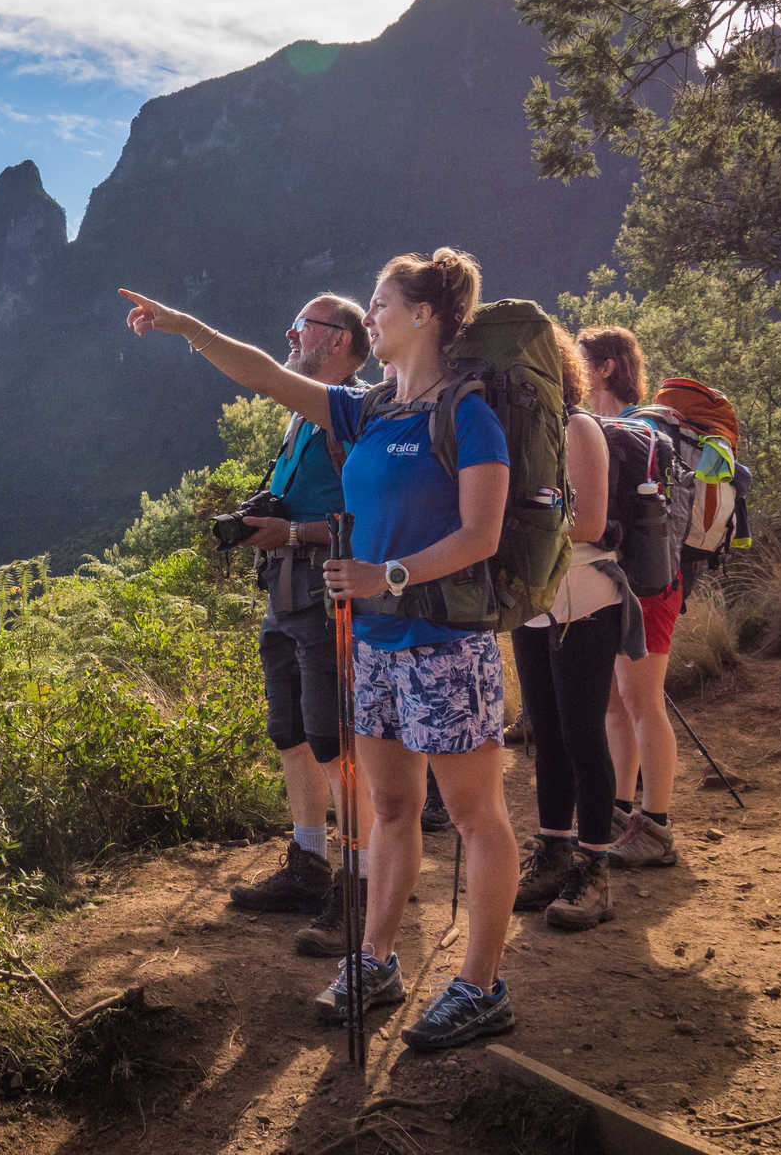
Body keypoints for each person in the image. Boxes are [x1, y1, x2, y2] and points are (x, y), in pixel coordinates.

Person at [122, 247, 521, 1052]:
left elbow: (483, 534)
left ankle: (482, 985)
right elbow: (270, 377)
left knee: (477, 817)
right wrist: (185, 326)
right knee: (395, 809)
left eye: (381, 303)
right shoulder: (369, 411)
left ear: (425, 316)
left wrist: (389, 573)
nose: (370, 317)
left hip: (444, 643)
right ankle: (376, 961)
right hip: (371, 642)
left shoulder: (469, 412)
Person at [224, 294, 374, 962]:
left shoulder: (355, 415)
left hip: (331, 597)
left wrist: (292, 531)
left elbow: (368, 519)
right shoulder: (300, 417)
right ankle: (308, 861)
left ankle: (359, 885)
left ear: (341, 340)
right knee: (289, 733)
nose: (290, 332)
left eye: (304, 326)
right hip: (284, 593)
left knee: (336, 741)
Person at [509, 325, 645, 930]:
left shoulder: (578, 426)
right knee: (546, 732)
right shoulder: (516, 434)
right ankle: (553, 849)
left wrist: (514, 521)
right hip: (534, 603)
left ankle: (594, 870)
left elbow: (589, 524)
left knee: (583, 731)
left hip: (586, 599)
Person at [578, 326, 680, 868]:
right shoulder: (606, 427)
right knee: (617, 701)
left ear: (607, 367)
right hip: (620, 581)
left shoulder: (632, 430)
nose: (575, 367)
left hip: (649, 582)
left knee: (642, 701)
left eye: (582, 360)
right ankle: (621, 810)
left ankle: (657, 826)